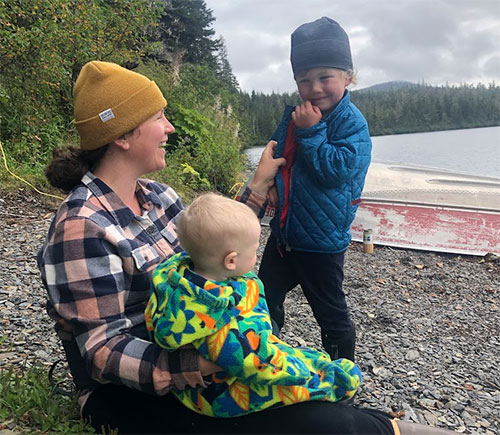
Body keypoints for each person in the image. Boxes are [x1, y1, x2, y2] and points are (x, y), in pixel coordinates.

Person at [37, 60, 454, 434]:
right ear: (123, 135)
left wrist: (257, 187)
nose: (170, 128)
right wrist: (216, 362)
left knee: (321, 405)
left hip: (208, 367)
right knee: (327, 424)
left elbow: (214, 246)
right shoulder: (82, 228)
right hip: (136, 394)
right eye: (158, 117)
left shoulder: (158, 197)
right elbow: (103, 353)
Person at [145, 192, 361, 418]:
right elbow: (258, 363)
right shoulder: (215, 321)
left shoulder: (176, 279)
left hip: (233, 363)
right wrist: (305, 372)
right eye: (254, 250)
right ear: (231, 261)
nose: (256, 256)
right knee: (303, 382)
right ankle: (338, 388)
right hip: (218, 393)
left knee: (305, 356)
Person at [259, 16, 370, 363]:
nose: (316, 88)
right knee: (263, 298)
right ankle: (261, 355)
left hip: (322, 244)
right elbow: (278, 151)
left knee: (330, 311)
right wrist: (272, 186)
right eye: (305, 80)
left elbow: (333, 172)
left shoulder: (353, 125)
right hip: (284, 234)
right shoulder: (296, 114)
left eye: (325, 77)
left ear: (348, 76)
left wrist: (310, 131)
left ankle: (344, 371)